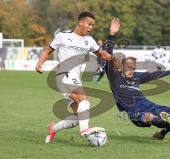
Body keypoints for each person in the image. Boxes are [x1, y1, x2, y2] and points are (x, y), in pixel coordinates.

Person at [36, 11, 120, 143]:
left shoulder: (89, 41)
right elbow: (47, 50)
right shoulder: (62, 36)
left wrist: (115, 60)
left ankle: (53, 129)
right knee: (84, 100)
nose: (91, 27)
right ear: (80, 22)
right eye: (89, 24)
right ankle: (84, 130)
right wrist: (40, 63)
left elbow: (102, 54)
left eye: (92, 25)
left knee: (77, 118)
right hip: (63, 74)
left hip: (74, 77)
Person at [103, 27, 170, 140]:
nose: (131, 70)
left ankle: (162, 133)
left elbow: (153, 75)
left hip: (149, 105)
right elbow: (108, 55)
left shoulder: (137, 76)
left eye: (133, 68)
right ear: (122, 67)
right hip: (135, 112)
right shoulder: (114, 76)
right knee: (150, 117)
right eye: (128, 67)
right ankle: (165, 121)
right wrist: (111, 34)